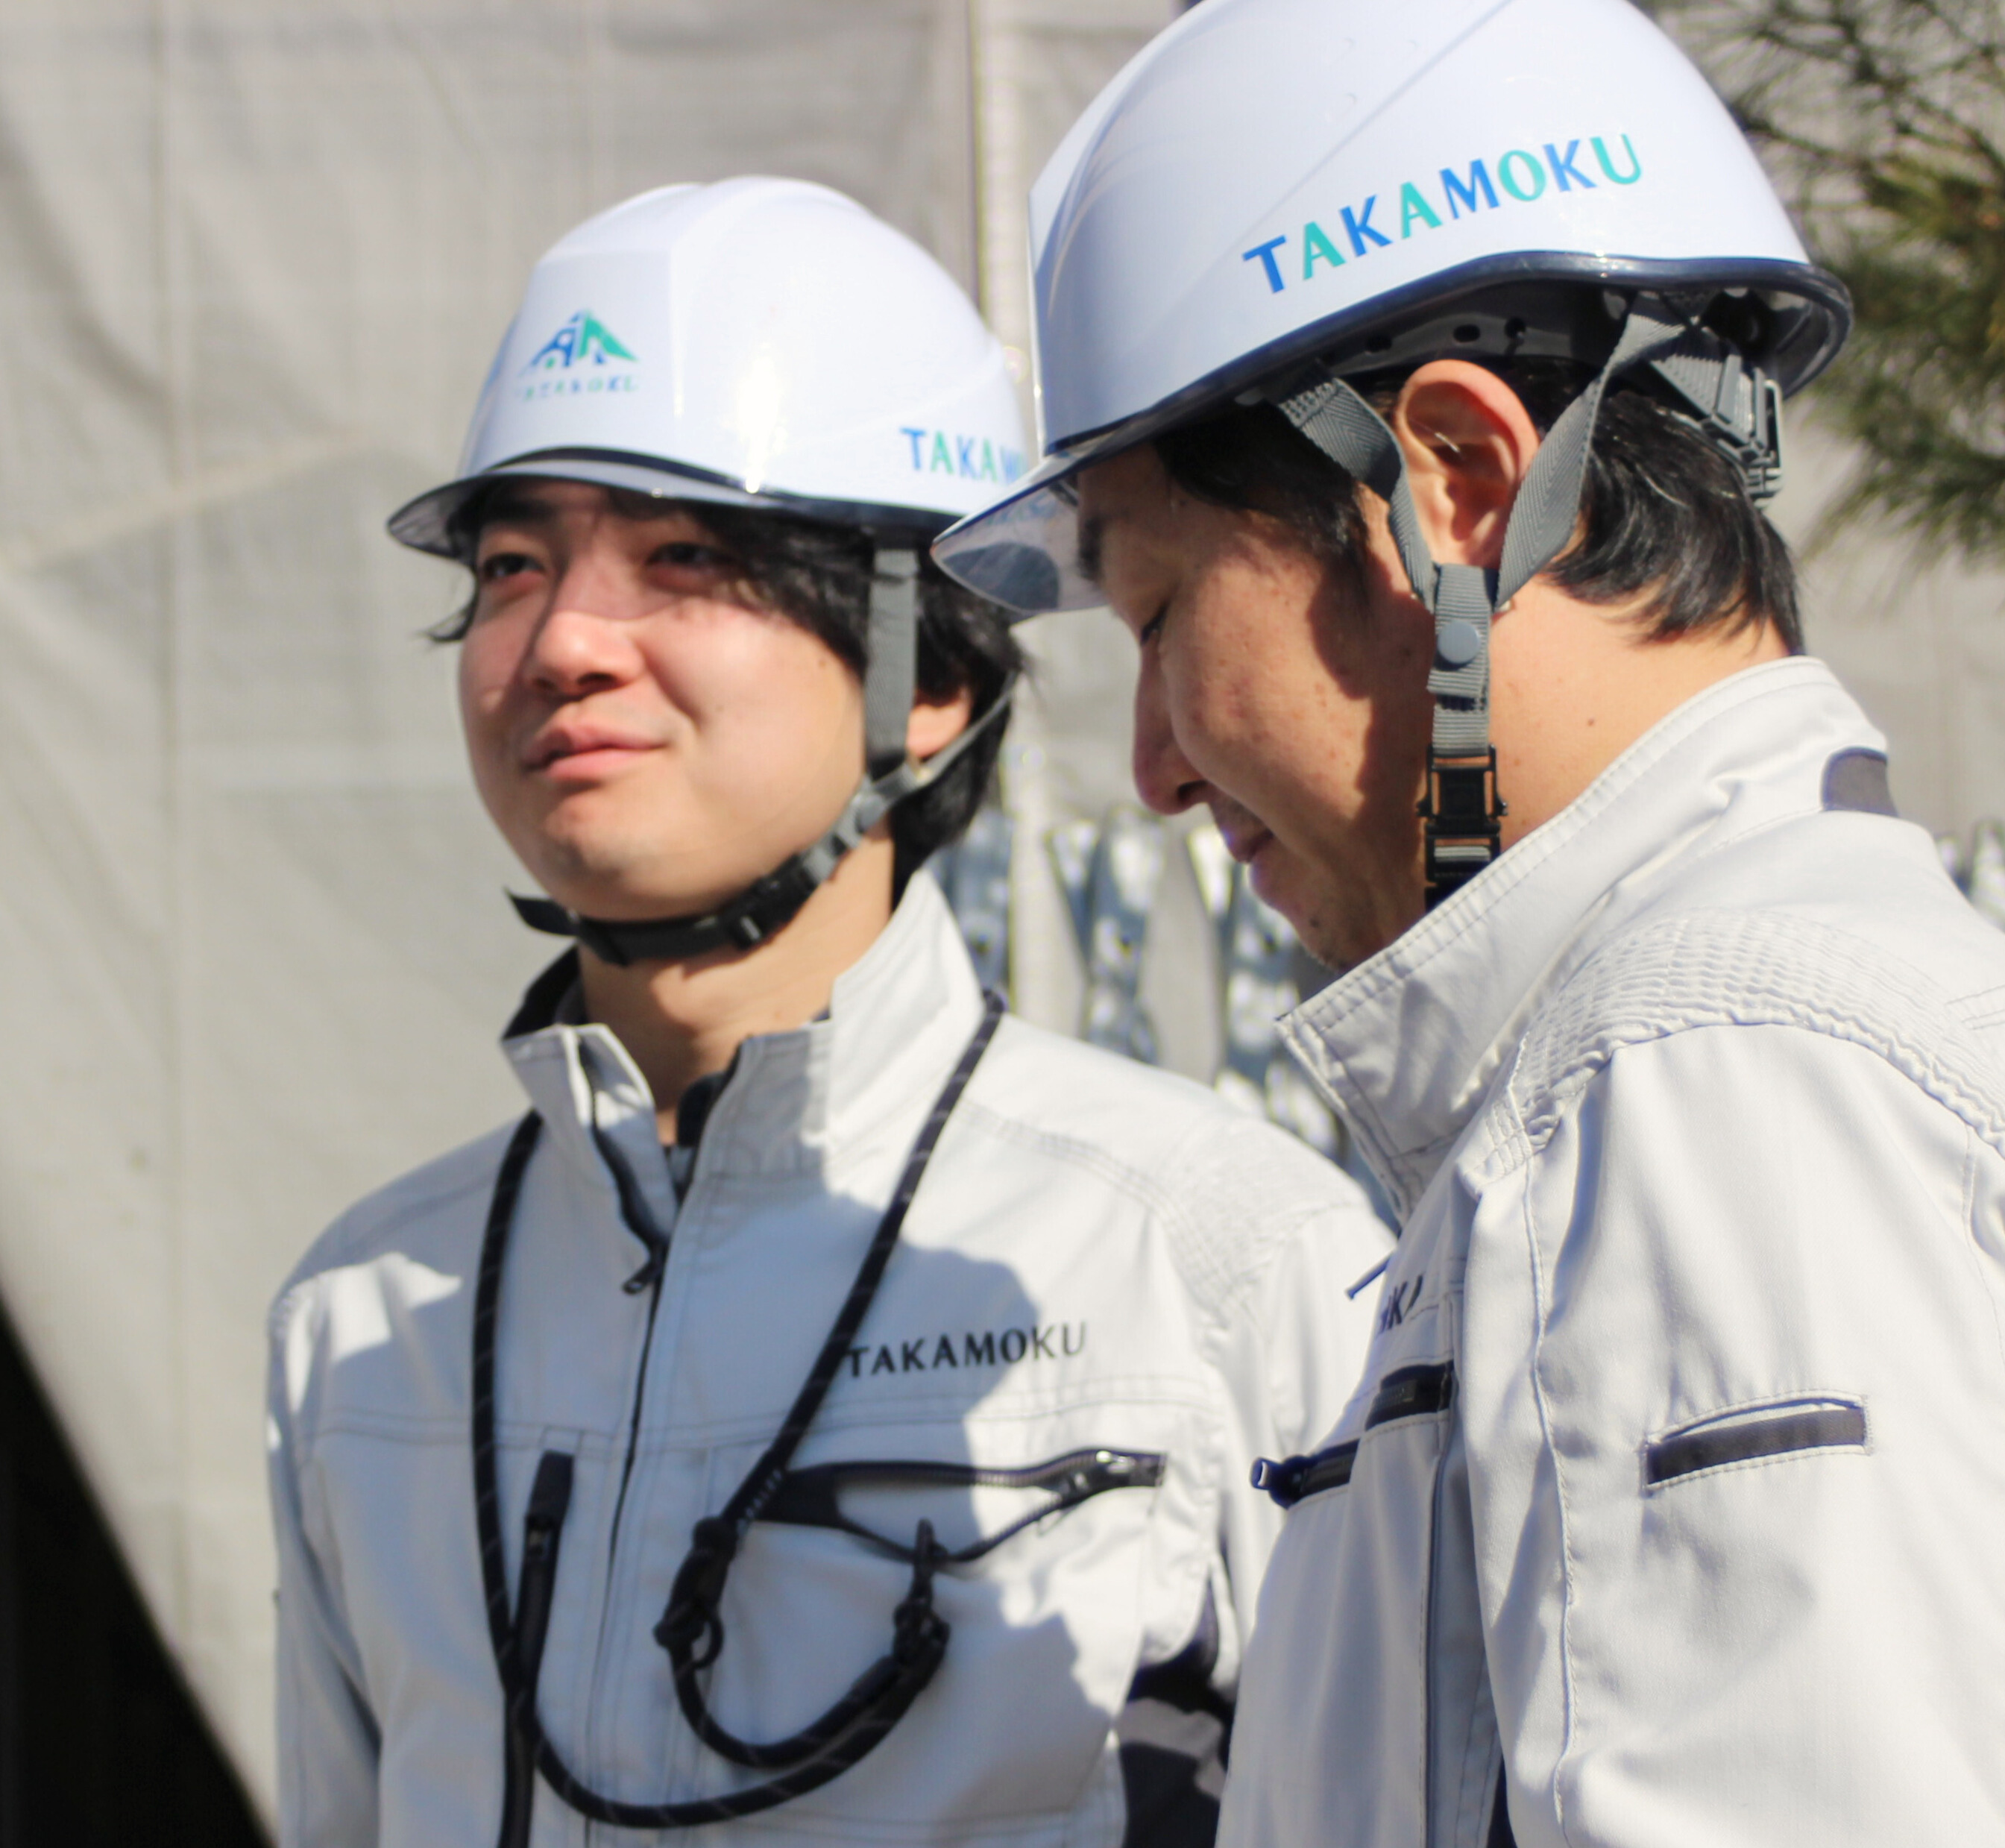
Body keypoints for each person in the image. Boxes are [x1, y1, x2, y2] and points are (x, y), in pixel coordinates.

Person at [931, 2, 2005, 1843]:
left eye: (1155, 617)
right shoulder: (1731, 1040)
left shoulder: (1716, 1081)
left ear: (1449, 488)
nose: (1149, 766)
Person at [267, 177, 1391, 1848]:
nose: (562, 640)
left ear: (925, 672)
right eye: (510, 565)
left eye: (682, 556)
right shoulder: (364, 1321)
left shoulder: (1215, 1263)